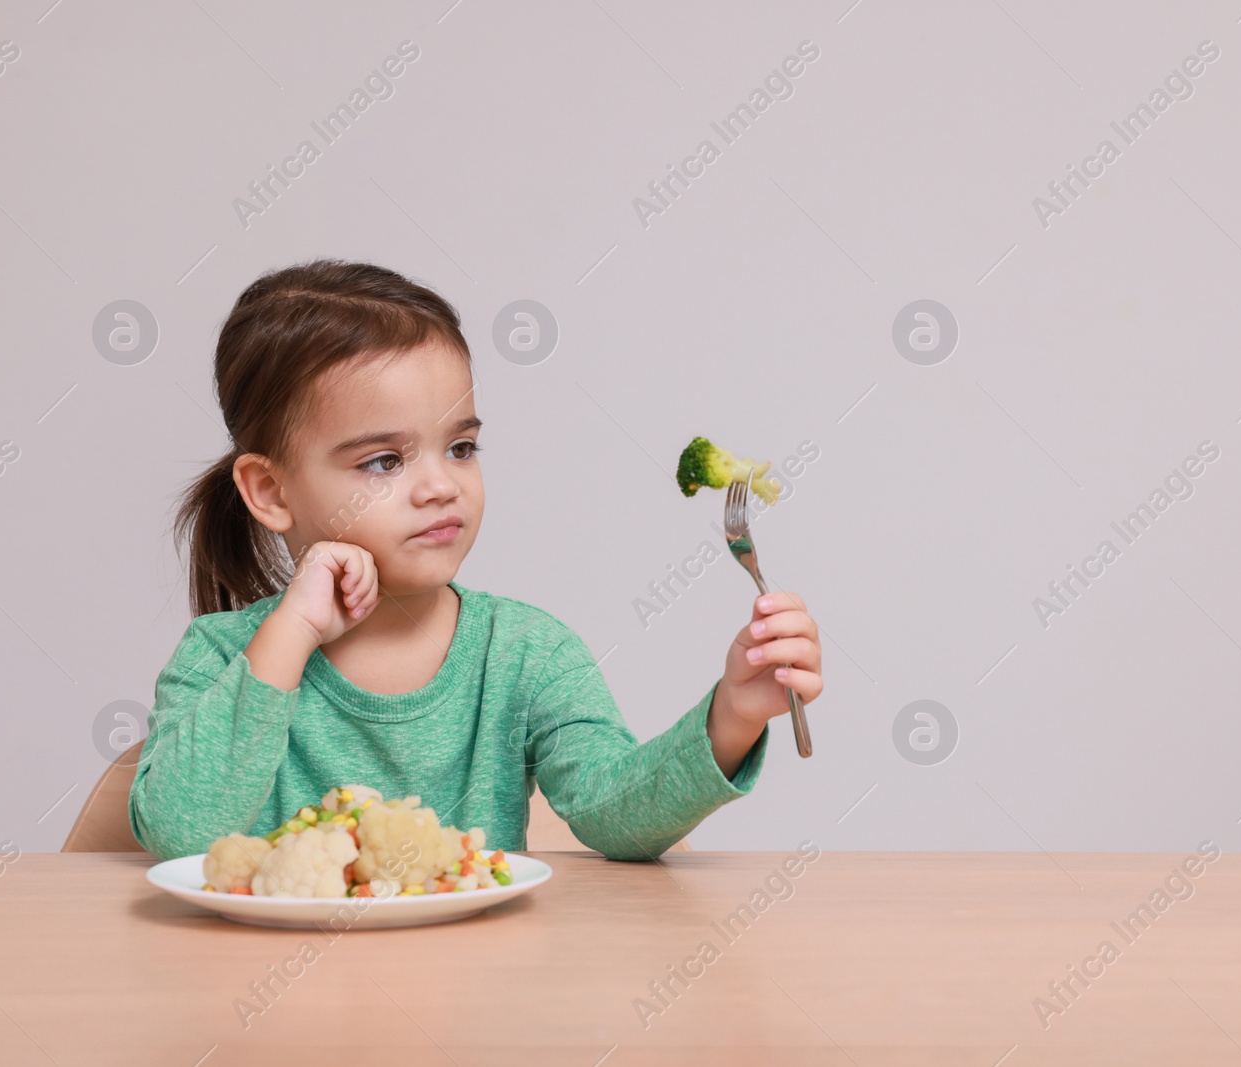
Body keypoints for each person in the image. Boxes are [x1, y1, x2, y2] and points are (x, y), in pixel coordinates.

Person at [128, 258, 824, 862]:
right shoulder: (222, 659)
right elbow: (181, 833)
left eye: (460, 447)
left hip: (478, 1001)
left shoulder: (525, 653)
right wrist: (289, 635)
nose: (440, 484)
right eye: (384, 460)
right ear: (271, 491)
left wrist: (731, 715)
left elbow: (615, 813)